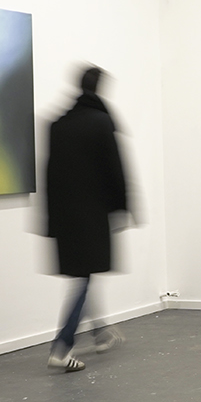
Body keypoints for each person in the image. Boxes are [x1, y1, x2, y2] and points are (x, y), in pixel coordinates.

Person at [44, 65, 131, 371]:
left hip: (64, 218)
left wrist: (49, 223)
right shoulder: (101, 121)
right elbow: (115, 168)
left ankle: (100, 332)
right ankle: (61, 347)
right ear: (100, 88)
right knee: (84, 279)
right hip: (91, 216)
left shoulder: (58, 124)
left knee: (84, 275)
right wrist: (122, 207)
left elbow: (49, 175)